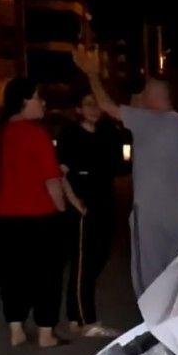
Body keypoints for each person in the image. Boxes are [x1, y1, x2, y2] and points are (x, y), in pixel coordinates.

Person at [73, 47, 178, 297]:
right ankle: (170, 318)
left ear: (155, 95)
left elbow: (106, 105)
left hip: (149, 215)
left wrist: (91, 74)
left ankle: (151, 319)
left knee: (148, 280)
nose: (140, 96)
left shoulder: (147, 121)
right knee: (173, 277)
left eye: (145, 91)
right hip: (177, 216)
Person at [0, 77, 86, 348]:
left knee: (14, 274)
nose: (42, 103)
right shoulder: (37, 134)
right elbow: (52, 181)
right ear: (23, 101)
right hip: (39, 215)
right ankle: (45, 332)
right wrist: (63, 210)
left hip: (5, 216)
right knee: (47, 275)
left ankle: (16, 328)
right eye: (37, 97)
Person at [57, 94, 123, 338]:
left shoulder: (108, 133)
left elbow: (117, 166)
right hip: (83, 204)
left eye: (97, 104)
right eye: (88, 104)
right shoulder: (70, 135)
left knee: (98, 258)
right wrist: (75, 202)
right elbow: (61, 174)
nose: (94, 109)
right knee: (83, 262)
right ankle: (87, 320)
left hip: (105, 201)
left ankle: (76, 315)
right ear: (78, 108)